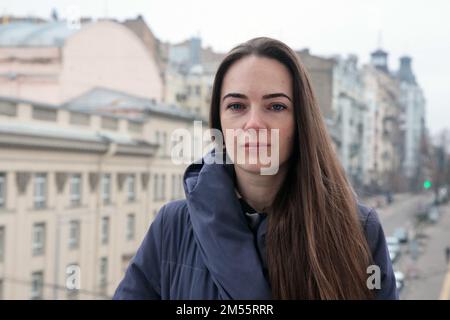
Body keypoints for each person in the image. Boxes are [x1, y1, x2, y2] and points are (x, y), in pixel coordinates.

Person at [113, 37, 398, 300]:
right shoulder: (172, 227)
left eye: (275, 107)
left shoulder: (358, 229)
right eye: (237, 106)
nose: (253, 124)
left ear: (301, 120)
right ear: (219, 123)